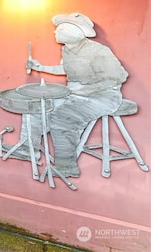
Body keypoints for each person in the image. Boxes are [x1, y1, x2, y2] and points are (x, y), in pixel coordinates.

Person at [26, 12, 129, 177]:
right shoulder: (68, 50)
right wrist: (41, 67)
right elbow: (66, 70)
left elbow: (117, 78)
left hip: (103, 96)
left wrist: (82, 91)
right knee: (38, 109)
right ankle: (28, 151)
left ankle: (66, 166)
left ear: (76, 31)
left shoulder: (98, 50)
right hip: (76, 94)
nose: (55, 32)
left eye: (61, 28)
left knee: (63, 117)